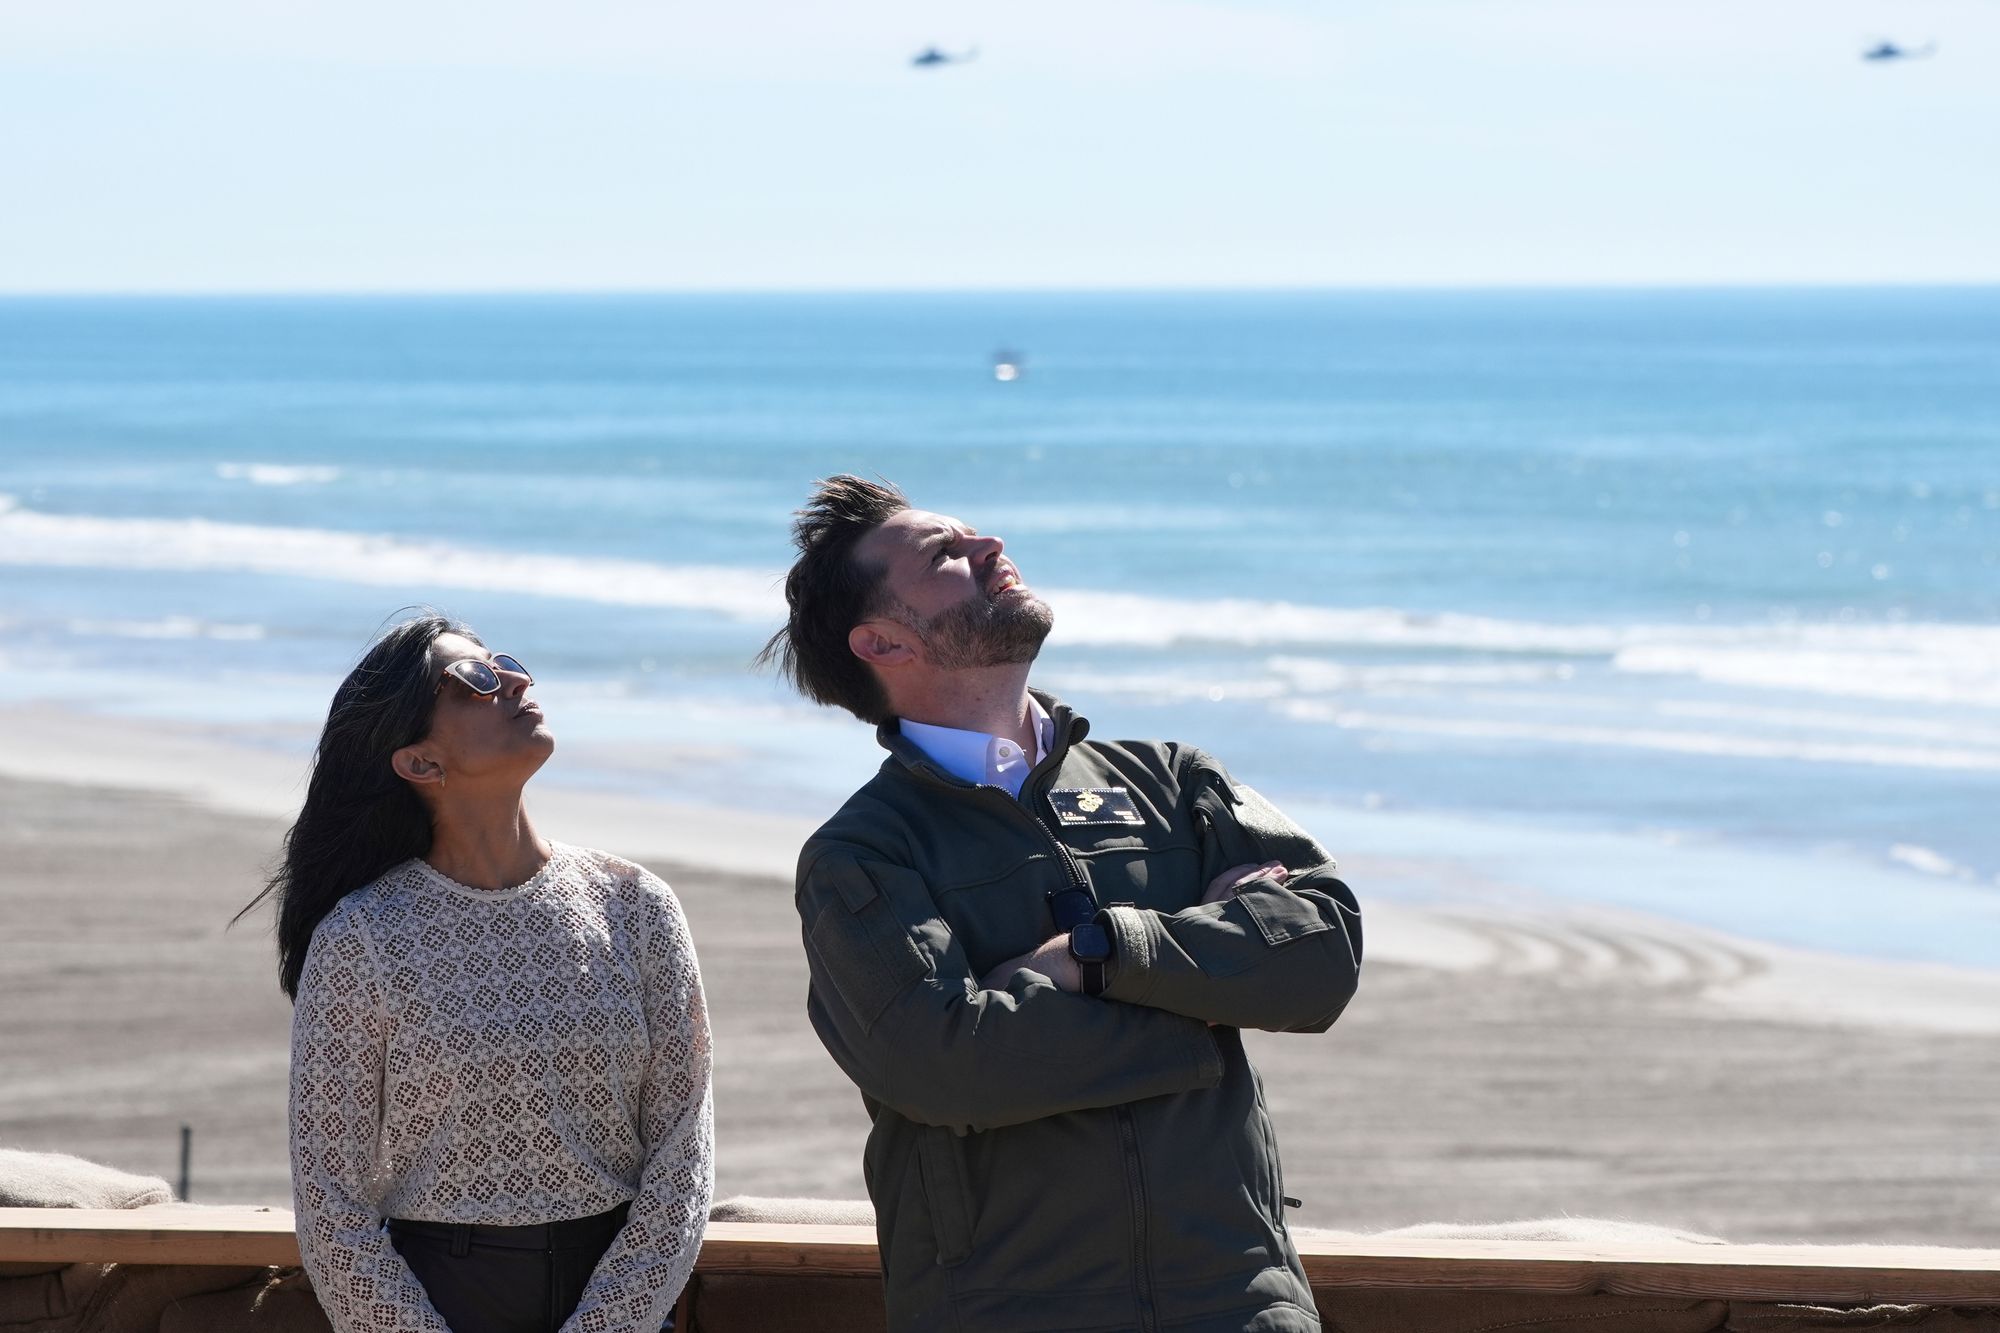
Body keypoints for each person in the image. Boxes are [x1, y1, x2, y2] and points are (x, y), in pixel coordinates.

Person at [761, 477, 1363, 1333]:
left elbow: (1324, 953)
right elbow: (947, 1066)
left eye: (972, 536)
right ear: (885, 641)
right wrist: (1206, 1013)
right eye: (945, 554)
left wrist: (1099, 953)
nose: (989, 547)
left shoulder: (1171, 779)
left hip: (1239, 1303)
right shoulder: (862, 853)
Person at [249, 613, 712, 1333]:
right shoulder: (361, 938)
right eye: (475, 680)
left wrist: (609, 1325)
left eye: (505, 662)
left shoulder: (638, 907)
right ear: (419, 763)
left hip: (625, 1302)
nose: (516, 679)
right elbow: (332, 1210)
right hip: (441, 1302)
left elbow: (683, 1157)